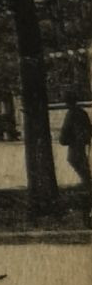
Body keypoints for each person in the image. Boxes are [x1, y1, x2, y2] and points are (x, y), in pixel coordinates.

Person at [60, 96, 91, 226]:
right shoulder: (82, 112)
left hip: (75, 144)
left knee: (74, 160)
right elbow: (89, 127)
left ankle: (87, 184)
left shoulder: (71, 114)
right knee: (81, 163)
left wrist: (63, 139)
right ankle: (86, 181)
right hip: (82, 143)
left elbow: (65, 130)